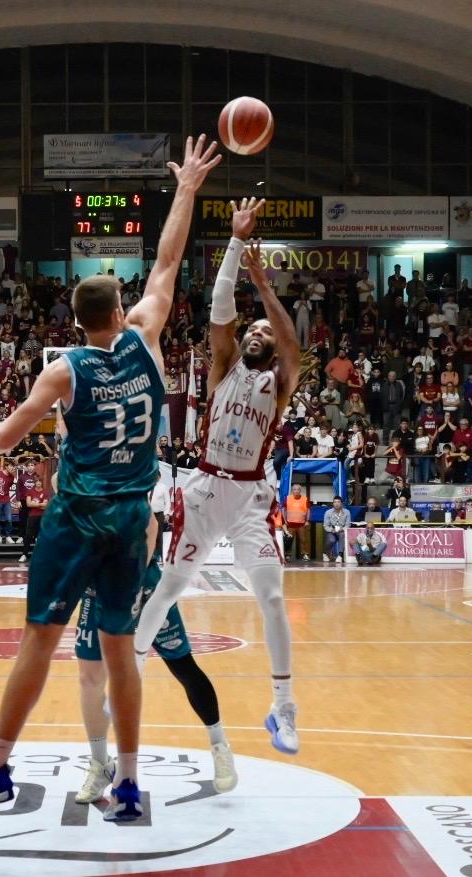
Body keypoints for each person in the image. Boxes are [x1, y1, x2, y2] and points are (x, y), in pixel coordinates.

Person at [0, 134, 220, 821]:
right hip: (133, 520)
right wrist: (188, 188)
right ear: (121, 314)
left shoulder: (65, 369)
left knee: (38, 643)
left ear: (75, 323)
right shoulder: (146, 342)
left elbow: (4, 438)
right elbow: (167, 261)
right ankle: (131, 785)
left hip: (77, 519)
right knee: (120, 654)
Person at [134, 203, 305, 759]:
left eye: (263, 331)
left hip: (253, 496)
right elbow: (219, 310)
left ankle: (283, 708)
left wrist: (266, 287)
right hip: (206, 489)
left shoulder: (280, 381)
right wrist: (235, 246)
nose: (255, 332)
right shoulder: (225, 365)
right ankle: (131, 673)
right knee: (169, 588)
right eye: (251, 329)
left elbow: (290, 341)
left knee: (273, 598)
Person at [73, 530, 235, 802]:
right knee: (89, 679)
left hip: (141, 586)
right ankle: (101, 764)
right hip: (95, 590)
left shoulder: (126, 491)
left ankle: (220, 746)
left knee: (182, 664)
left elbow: (148, 524)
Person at [284, 484, 311, 561]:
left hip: (301, 524)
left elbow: (308, 510)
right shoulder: (287, 498)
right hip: (290, 524)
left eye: (298, 489)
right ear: (292, 490)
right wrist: (285, 520)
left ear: (300, 490)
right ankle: (287, 555)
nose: (296, 491)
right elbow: (283, 510)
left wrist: (307, 520)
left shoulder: (305, 499)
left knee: (303, 540)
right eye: (294, 489)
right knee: (289, 540)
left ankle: (304, 554)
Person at [323, 496, 350, 562]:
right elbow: (326, 526)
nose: (336, 504)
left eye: (338, 502)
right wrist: (331, 530)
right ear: (333, 503)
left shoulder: (347, 512)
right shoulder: (328, 512)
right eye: (335, 502)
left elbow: (348, 525)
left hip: (341, 531)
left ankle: (340, 555)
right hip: (331, 531)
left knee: (342, 535)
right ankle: (325, 553)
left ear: (342, 503)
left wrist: (342, 529)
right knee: (331, 540)